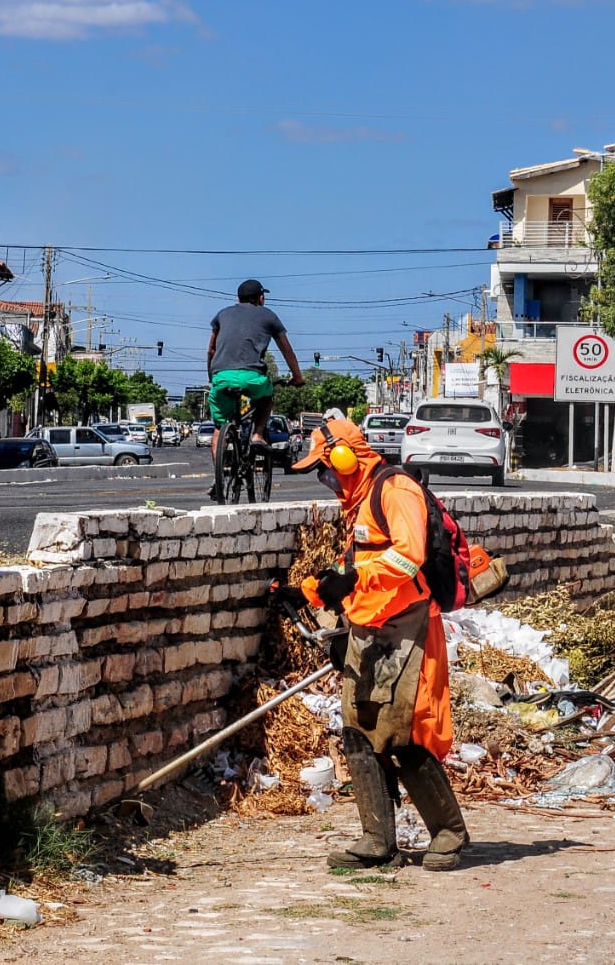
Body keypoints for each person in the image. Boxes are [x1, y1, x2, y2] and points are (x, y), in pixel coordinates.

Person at [294, 414, 467, 871]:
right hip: (367, 628)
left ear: (347, 458)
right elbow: (357, 566)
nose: (324, 479)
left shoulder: (395, 490)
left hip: (408, 626)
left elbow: (408, 556)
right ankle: (377, 840)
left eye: (326, 468)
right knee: (357, 733)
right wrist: (313, 592)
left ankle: (448, 831)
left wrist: (354, 577)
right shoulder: (358, 502)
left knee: (403, 734)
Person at [205, 279, 303, 499]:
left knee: (219, 429)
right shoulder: (269, 316)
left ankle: (218, 476)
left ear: (238, 299)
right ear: (260, 297)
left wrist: (213, 377)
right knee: (267, 397)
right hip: (253, 377)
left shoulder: (222, 315)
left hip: (221, 377)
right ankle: (258, 434)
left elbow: (211, 350)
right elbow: (287, 351)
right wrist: (297, 377)